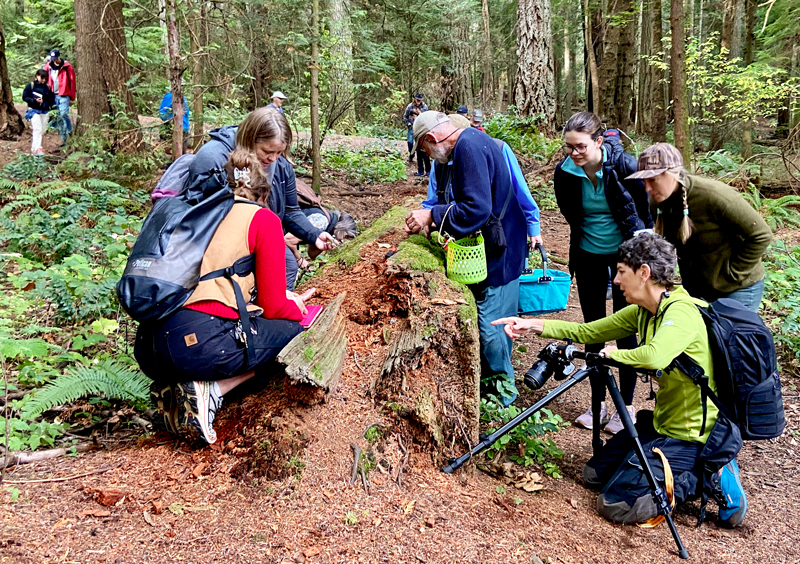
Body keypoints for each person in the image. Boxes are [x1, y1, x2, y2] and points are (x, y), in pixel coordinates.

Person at [492, 233, 747, 528]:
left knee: (616, 505)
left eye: (621, 272)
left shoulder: (682, 313)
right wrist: (532, 324)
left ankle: (709, 472)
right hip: (660, 424)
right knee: (594, 475)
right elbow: (588, 332)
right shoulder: (645, 312)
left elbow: (654, 357)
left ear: (644, 273)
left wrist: (614, 354)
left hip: (690, 437)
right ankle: (663, 467)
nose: (615, 280)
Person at [135, 149, 313, 445]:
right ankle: (212, 390)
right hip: (198, 344)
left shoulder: (197, 211)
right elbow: (273, 306)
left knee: (246, 331)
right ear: (261, 194)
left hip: (149, 346)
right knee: (293, 334)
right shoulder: (260, 217)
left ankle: (181, 394)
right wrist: (297, 309)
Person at [405, 111, 528, 406]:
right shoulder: (471, 141)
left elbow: (476, 209)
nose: (429, 156)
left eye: (424, 149)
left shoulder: (468, 148)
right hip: (497, 245)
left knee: (493, 324)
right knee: (488, 318)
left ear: (432, 139)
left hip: (502, 248)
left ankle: (503, 392)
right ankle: (491, 382)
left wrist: (431, 215)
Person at [553, 111, 652, 434]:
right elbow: (571, 214)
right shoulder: (564, 174)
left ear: (598, 142)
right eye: (569, 147)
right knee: (594, 328)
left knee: (626, 330)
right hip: (588, 255)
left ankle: (627, 404)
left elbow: (643, 212)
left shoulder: (625, 167)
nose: (574, 153)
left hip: (626, 257)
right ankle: (598, 403)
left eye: (580, 146)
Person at [186, 107, 338, 290]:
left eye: (279, 152)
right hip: (219, 242)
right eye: (267, 151)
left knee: (288, 264)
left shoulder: (281, 166)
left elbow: (290, 211)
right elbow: (201, 214)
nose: (273, 158)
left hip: (261, 236)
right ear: (250, 140)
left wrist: (314, 234)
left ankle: (273, 309)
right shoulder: (213, 159)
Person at [627, 143, 772, 312]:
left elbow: (761, 234)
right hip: (698, 290)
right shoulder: (658, 203)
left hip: (738, 288)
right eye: (644, 181)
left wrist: (733, 273)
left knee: (730, 338)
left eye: (653, 179)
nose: (647, 188)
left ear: (674, 173)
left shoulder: (714, 196)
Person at [422, 114, 543, 250]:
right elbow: (433, 198)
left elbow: (519, 189)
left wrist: (533, 226)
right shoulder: (440, 161)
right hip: (457, 237)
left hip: (497, 232)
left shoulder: (496, 148)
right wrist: (427, 216)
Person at [43, 49, 76, 145]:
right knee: (57, 117)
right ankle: (63, 137)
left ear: (59, 57)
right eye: (52, 59)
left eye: (55, 58)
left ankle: (69, 131)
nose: (54, 61)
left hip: (64, 95)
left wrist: (72, 97)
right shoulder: (49, 66)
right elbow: (42, 75)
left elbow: (72, 82)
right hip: (53, 95)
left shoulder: (67, 67)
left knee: (63, 114)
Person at [22, 69, 55, 156]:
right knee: (37, 128)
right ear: (37, 76)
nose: (43, 80)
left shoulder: (47, 87)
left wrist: (47, 104)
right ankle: (36, 148)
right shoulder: (31, 86)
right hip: (33, 110)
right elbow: (25, 97)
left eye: (45, 78)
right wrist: (34, 100)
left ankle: (36, 147)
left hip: (44, 110)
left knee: (42, 129)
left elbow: (51, 99)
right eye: (42, 77)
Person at [403, 93, 428, 162]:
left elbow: (426, 117)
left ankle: (421, 159)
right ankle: (411, 154)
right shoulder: (410, 106)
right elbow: (405, 117)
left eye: (420, 100)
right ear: (415, 99)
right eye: (417, 99)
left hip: (420, 127)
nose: (418, 101)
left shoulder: (424, 107)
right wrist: (408, 123)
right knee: (410, 142)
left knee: (420, 144)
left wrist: (420, 114)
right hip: (412, 126)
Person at [410, 108, 431, 177]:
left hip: (423, 140)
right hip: (418, 141)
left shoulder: (421, 119)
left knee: (425, 156)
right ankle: (421, 171)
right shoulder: (415, 120)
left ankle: (428, 171)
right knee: (419, 156)